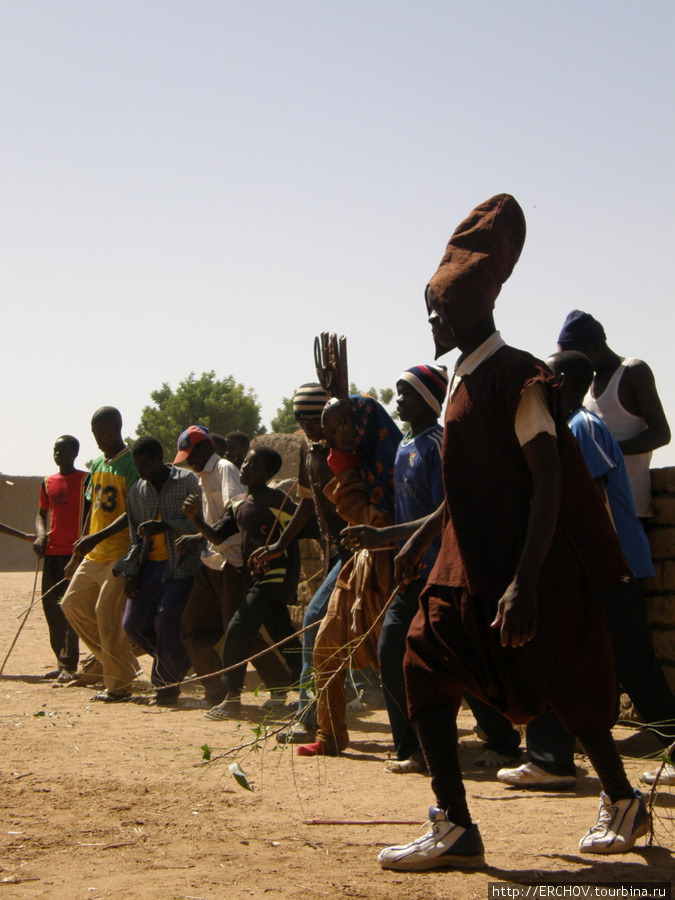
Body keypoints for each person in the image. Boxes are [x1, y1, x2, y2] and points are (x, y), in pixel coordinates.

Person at [378, 194, 646, 872]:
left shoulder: (516, 376)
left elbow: (549, 480)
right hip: (466, 566)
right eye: (429, 307)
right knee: (422, 662)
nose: (433, 319)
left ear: (478, 307)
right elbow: (471, 479)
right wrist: (424, 532)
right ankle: (453, 821)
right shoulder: (459, 380)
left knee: (571, 688)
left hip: (529, 568)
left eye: (442, 307)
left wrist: (524, 584)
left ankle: (620, 799)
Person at [493, 351, 675, 790]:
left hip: (608, 568)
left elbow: (586, 502)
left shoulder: (581, 427)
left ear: (562, 382)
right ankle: (550, 759)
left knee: (632, 664)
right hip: (591, 569)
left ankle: (554, 759)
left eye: (547, 378)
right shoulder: (563, 427)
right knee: (560, 655)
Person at [341, 365, 447, 774]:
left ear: (430, 400)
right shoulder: (404, 445)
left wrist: (381, 537)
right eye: (398, 392)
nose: (398, 399)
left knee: (454, 659)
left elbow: (443, 511)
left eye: (407, 393)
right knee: (390, 651)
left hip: (438, 569)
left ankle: (502, 740)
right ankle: (411, 746)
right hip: (410, 572)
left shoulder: (438, 444)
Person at [295, 394, 402, 756]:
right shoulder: (343, 461)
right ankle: (329, 734)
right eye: (329, 431)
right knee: (326, 643)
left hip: (399, 565)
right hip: (360, 564)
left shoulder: (400, 459)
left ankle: (424, 737)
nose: (334, 436)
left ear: (360, 422)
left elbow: (383, 517)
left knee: (399, 655)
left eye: (341, 426)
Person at [251, 383, 349, 743]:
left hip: (361, 548)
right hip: (337, 551)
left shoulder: (347, 443)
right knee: (327, 626)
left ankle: (309, 715)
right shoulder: (309, 448)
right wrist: (279, 544)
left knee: (313, 621)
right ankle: (317, 712)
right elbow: (308, 501)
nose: (307, 425)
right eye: (300, 418)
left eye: (314, 417)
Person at [183, 446, 303, 719]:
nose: (245, 468)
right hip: (253, 578)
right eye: (246, 461)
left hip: (274, 578)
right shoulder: (238, 503)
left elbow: (306, 525)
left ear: (269, 474)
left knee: (237, 631)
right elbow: (217, 536)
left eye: (253, 466)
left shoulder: (280, 502)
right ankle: (309, 690)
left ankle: (232, 698)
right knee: (284, 636)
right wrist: (197, 520)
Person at [113, 436, 203, 705]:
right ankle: (179, 661)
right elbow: (135, 538)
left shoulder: (187, 481)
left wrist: (165, 526)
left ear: (157, 459)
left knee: (165, 621)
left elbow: (202, 524)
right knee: (132, 625)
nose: (140, 471)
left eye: (144, 466)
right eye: (136, 466)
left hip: (181, 565)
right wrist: (129, 572)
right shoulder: (138, 492)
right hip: (148, 568)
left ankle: (166, 689)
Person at [61, 407, 141, 702]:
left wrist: (98, 537)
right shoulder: (96, 464)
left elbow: (133, 511)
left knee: (106, 614)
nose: (98, 439)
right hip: (94, 555)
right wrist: (78, 553)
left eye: (103, 433)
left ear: (118, 428)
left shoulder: (131, 464)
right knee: (72, 605)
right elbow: (90, 511)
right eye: (95, 433)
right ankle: (120, 662)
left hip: (120, 553)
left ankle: (118, 687)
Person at [557, 310, 670, 518]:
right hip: (600, 505)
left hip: (631, 505)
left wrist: (607, 452)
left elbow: (661, 434)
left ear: (596, 347)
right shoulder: (587, 384)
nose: (574, 366)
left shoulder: (633, 372)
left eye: (577, 358)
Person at [32, 435, 87, 681]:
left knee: (68, 608)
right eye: (55, 449)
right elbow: (41, 515)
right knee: (51, 609)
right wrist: (41, 535)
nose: (57, 454)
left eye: (62, 450)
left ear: (75, 453)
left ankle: (69, 665)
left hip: (74, 555)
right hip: (52, 554)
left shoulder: (86, 480)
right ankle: (60, 660)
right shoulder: (47, 482)